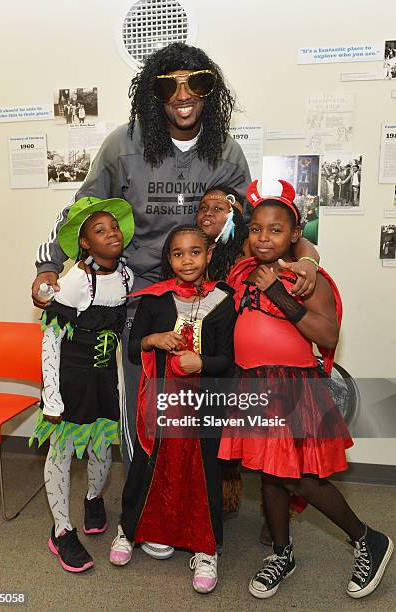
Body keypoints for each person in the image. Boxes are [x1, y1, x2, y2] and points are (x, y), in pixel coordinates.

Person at [32, 43, 318, 467]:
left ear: (210, 91)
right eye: (170, 86)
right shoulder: (123, 145)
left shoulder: (226, 152)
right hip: (142, 292)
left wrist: (308, 254)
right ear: (154, 93)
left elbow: (262, 226)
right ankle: (140, 503)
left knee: (199, 399)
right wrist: (49, 266)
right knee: (141, 399)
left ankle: (194, 498)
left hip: (206, 294)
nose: (183, 96)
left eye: (196, 83)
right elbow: (83, 210)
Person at [218, 180, 393, 600]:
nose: (264, 237)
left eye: (275, 229)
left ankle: (368, 538)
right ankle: (282, 552)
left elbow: (328, 334)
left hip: (292, 388)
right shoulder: (243, 272)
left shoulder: (305, 278)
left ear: (295, 234)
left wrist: (281, 290)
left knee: (301, 480)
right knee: (270, 477)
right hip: (252, 384)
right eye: (256, 228)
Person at [109, 225, 236, 594]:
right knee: (149, 466)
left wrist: (203, 364)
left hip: (205, 405)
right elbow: (134, 349)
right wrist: (154, 339)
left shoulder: (224, 300)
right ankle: (130, 530)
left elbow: (227, 360)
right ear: (169, 259)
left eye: (195, 252)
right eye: (178, 254)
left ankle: (206, 548)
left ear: (209, 255)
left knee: (203, 473)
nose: (187, 260)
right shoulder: (154, 299)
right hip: (162, 402)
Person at [29, 197, 135, 573]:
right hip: (70, 382)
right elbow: (50, 338)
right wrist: (52, 396)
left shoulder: (126, 277)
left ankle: (93, 498)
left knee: (102, 451)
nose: (112, 234)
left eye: (114, 227)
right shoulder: (76, 281)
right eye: (100, 230)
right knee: (61, 453)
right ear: (84, 243)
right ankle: (61, 530)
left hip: (103, 381)